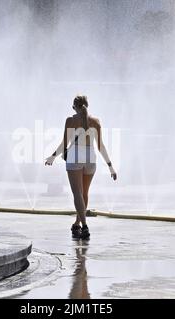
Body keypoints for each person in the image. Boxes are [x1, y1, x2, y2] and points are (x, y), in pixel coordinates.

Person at [45, 95, 117, 239]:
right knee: (84, 193)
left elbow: (64, 144)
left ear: (74, 107)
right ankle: (77, 223)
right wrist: (110, 167)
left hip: (75, 155)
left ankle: (84, 226)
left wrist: (52, 156)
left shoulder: (71, 120)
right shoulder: (95, 122)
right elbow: (101, 146)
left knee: (77, 193)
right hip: (91, 157)